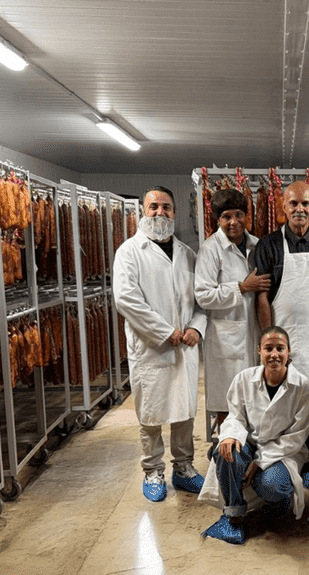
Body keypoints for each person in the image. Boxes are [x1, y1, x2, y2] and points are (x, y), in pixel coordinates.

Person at [112, 186, 207, 502]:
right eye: (153, 207)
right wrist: (165, 332)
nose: (160, 212)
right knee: (150, 413)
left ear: (174, 213)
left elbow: (200, 301)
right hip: (151, 348)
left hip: (184, 347)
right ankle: (153, 471)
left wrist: (196, 328)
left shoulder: (187, 254)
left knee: (185, 410)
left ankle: (184, 468)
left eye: (166, 207)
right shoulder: (129, 252)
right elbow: (127, 299)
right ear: (143, 210)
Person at [199, 326, 309, 544]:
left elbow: (295, 437)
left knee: (271, 485)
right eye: (268, 348)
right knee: (225, 452)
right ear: (259, 350)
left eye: (280, 348)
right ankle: (233, 516)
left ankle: (278, 503)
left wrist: (259, 462)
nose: (274, 354)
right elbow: (236, 416)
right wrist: (230, 435)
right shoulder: (244, 379)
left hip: (283, 451)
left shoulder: (304, 387)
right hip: (251, 441)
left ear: (289, 351)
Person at [195, 188, 271, 425]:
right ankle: (225, 444)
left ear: (246, 216)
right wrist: (242, 288)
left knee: (256, 403)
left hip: (254, 334)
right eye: (226, 217)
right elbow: (203, 296)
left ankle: (249, 445)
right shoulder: (210, 249)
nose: (233, 222)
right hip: (225, 341)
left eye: (238, 215)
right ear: (217, 220)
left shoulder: (257, 245)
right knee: (227, 405)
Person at [253, 180, 309, 393]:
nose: (300, 209)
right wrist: (269, 340)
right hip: (281, 337)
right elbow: (262, 297)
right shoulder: (267, 244)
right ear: (284, 207)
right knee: (282, 396)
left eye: (305, 204)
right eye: (293, 203)